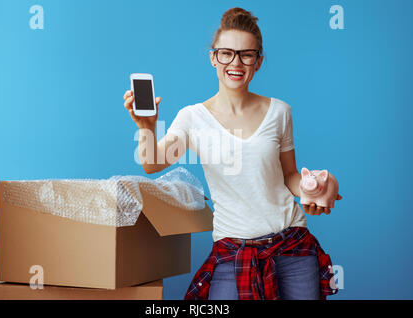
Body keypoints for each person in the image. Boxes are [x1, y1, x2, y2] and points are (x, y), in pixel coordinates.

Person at [123, 7, 342, 300]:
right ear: (213, 58)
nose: (235, 62)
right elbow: (151, 163)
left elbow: (289, 173)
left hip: (292, 245)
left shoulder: (280, 111)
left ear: (258, 61)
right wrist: (147, 126)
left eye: (246, 54)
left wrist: (309, 191)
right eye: (226, 53)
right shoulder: (192, 118)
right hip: (234, 250)